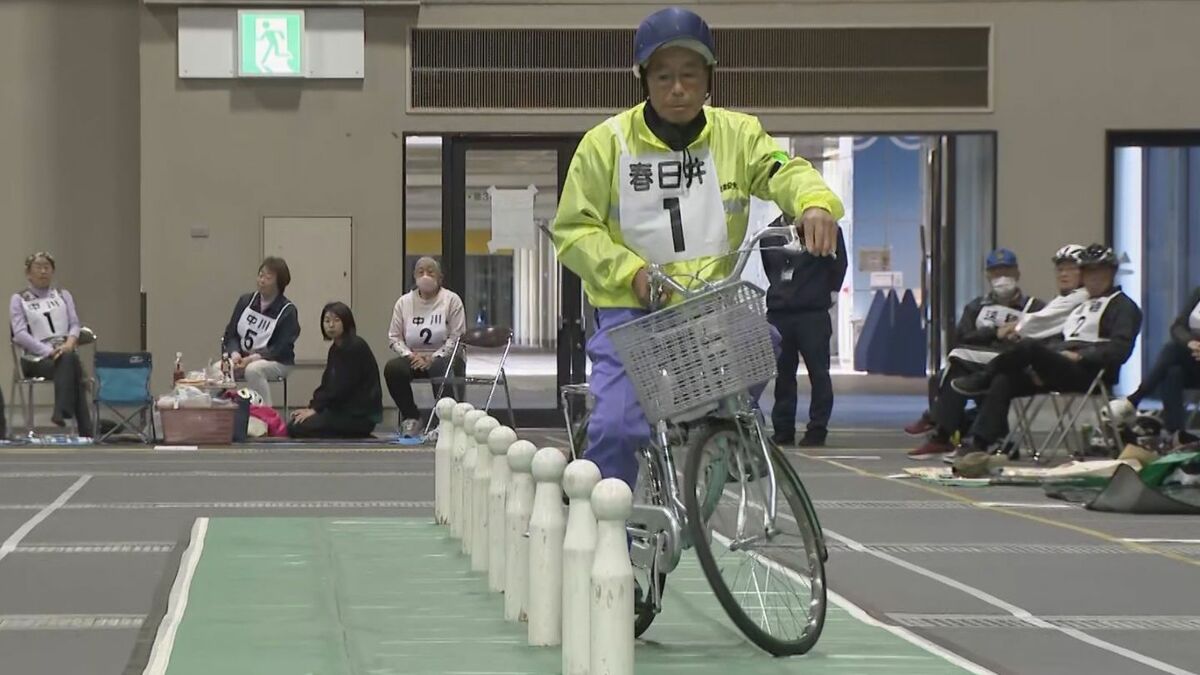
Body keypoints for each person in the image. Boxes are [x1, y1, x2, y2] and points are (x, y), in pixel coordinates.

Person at [551, 6, 843, 489]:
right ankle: (605, 523)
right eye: (663, 76)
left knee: (762, 343)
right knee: (617, 427)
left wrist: (813, 203)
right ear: (644, 79)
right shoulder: (605, 144)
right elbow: (574, 229)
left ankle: (715, 431)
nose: (678, 88)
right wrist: (630, 272)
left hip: (707, 306)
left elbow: (782, 168)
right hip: (631, 313)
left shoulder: (738, 135)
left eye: (690, 74)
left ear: (709, 78)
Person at [950, 244, 1143, 453]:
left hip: (1090, 371)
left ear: (1112, 272)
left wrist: (1080, 356)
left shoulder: (1123, 306)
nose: (1094, 277)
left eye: (1100, 271)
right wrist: (1046, 359)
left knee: (1029, 347)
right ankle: (981, 443)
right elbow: (1056, 336)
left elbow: (1120, 350)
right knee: (1005, 378)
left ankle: (983, 377)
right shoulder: (1079, 303)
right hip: (1060, 364)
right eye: (1089, 271)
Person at [906, 248, 1045, 458]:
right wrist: (994, 333)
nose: (1002, 277)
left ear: (1017, 273)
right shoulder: (976, 307)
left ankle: (940, 431)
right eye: (996, 272)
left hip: (1013, 363)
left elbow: (1042, 339)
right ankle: (976, 436)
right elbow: (963, 338)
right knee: (954, 367)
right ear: (988, 275)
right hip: (979, 362)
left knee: (958, 362)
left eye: (1006, 271)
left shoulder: (1034, 307)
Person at [761, 214, 848, 447]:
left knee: (819, 374)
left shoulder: (826, 226)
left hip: (813, 312)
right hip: (780, 312)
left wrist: (828, 292)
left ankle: (817, 429)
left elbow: (838, 264)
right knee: (783, 376)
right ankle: (783, 429)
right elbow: (770, 268)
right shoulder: (770, 233)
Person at [9, 252, 93, 437]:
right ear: (28, 273)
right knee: (73, 365)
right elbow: (20, 334)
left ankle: (66, 415)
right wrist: (48, 351)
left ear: (52, 271)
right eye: (38, 267)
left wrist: (69, 343)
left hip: (64, 352)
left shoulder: (63, 295)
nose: (43, 271)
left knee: (69, 360)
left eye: (47, 267)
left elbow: (74, 324)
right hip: (36, 359)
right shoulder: (19, 299)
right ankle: (81, 426)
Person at [383, 257, 467, 436]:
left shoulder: (451, 300)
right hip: (414, 358)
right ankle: (411, 417)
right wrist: (409, 355)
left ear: (440, 277)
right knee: (393, 369)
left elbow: (457, 337)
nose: (425, 275)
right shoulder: (404, 302)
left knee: (439, 366)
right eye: (420, 272)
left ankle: (445, 421)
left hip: (446, 358)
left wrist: (434, 357)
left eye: (430, 271)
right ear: (414, 277)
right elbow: (394, 337)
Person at [1117, 285, 1200, 447]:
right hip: (1194, 358)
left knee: (1172, 351)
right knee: (1172, 371)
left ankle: (1135, 399)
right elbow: (1177, 327)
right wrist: (1190, 342)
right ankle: (1176, 435)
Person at [288, 302, 382, 438]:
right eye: (327, 321)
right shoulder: (335, 349)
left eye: (336, 320)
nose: (331, 325)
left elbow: (342, 387)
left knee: (297, 427)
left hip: (358, 415)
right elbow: (327, 384)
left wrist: (317, 409)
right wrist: (312, 407)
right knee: (295, 423)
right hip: (340, 410)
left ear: (346, 322)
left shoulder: (355, 347)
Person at [221, 257, 300, 407]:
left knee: (253, 370)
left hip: (277, 361)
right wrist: (235, 354)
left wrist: (251, 359)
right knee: (219, 369)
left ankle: (265, 413)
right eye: (260, 275)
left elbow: (280, 347)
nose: (262, 280)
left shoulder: (287, 311)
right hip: (242, 357)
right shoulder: (246, 301)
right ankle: (224, 412)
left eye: (268, 278)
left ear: (279, 283)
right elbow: (231, 334)